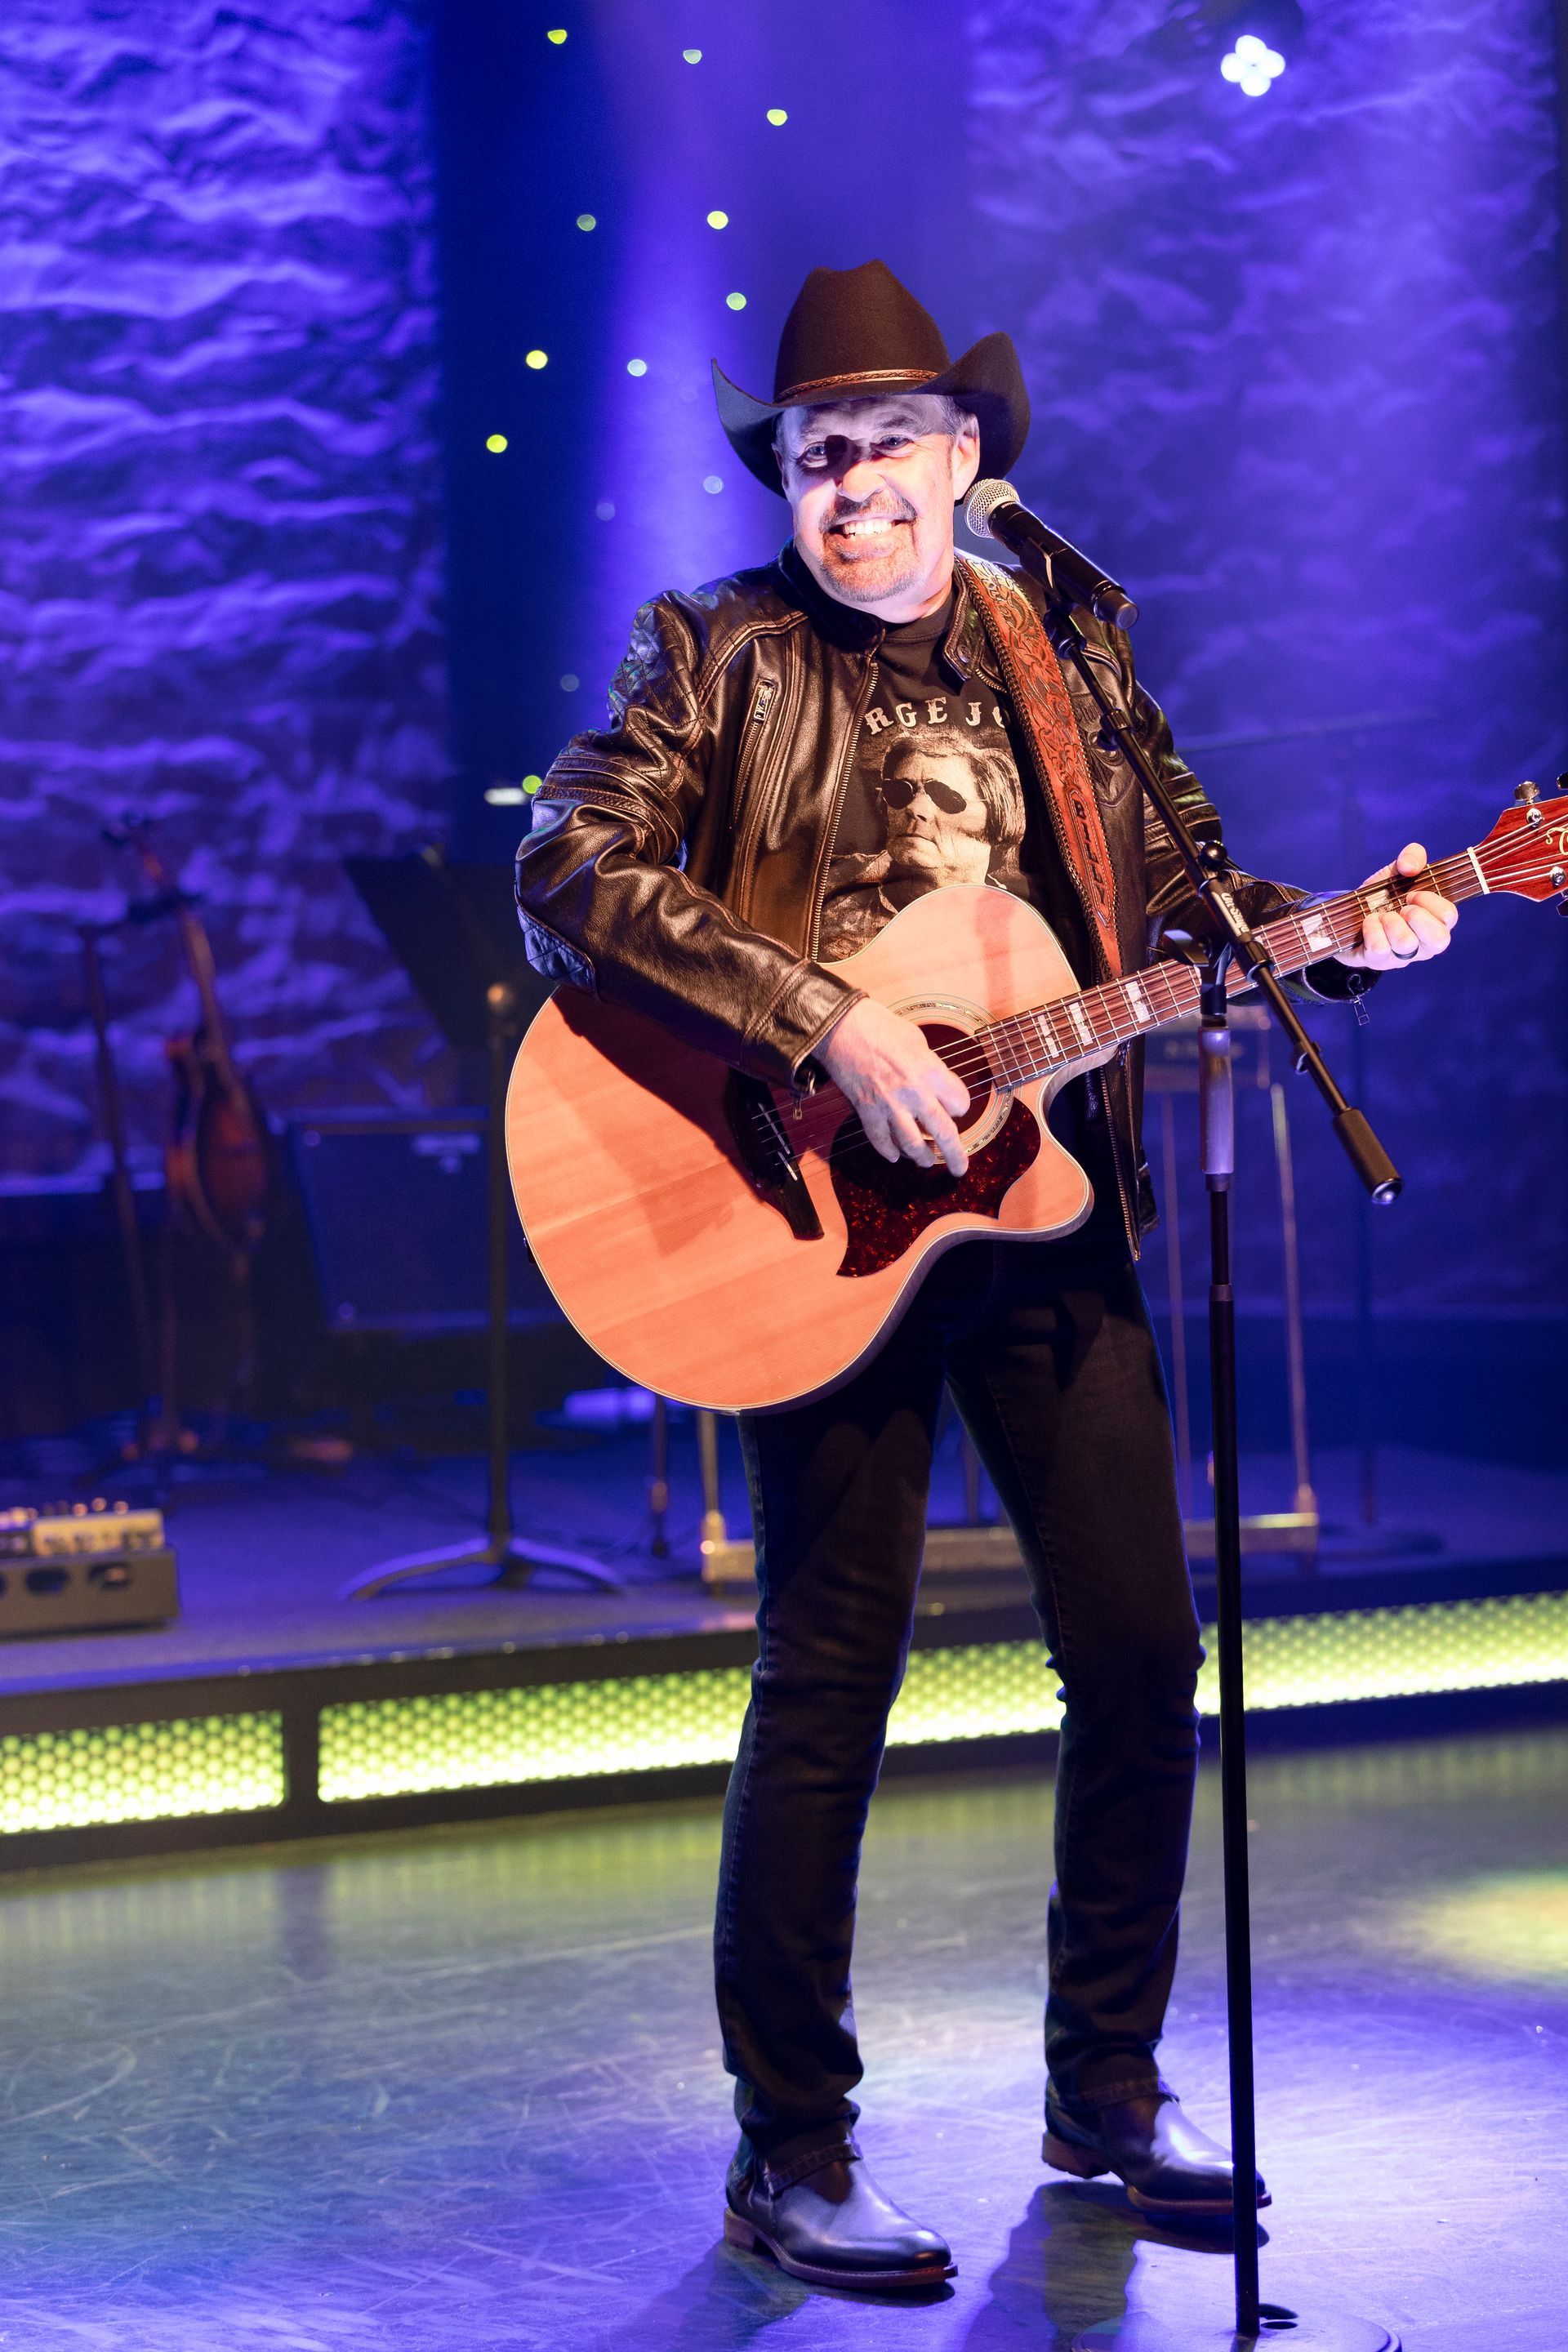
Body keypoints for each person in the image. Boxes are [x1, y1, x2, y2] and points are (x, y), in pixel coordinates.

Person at [514, 261, 1457, 2292]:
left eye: (880, 450)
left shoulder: (1067, 656)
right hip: (796, 1215)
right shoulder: (716, 653)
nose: (844, 489)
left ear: (965, 462)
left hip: (1042, 1202)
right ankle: (795, 2148)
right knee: (828, 1682)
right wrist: (822, 1026)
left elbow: (1195, 895)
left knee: (1138, 1652)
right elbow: (571, 867)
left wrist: (1349, 933)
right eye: (812, 458)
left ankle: (1103, 2091)